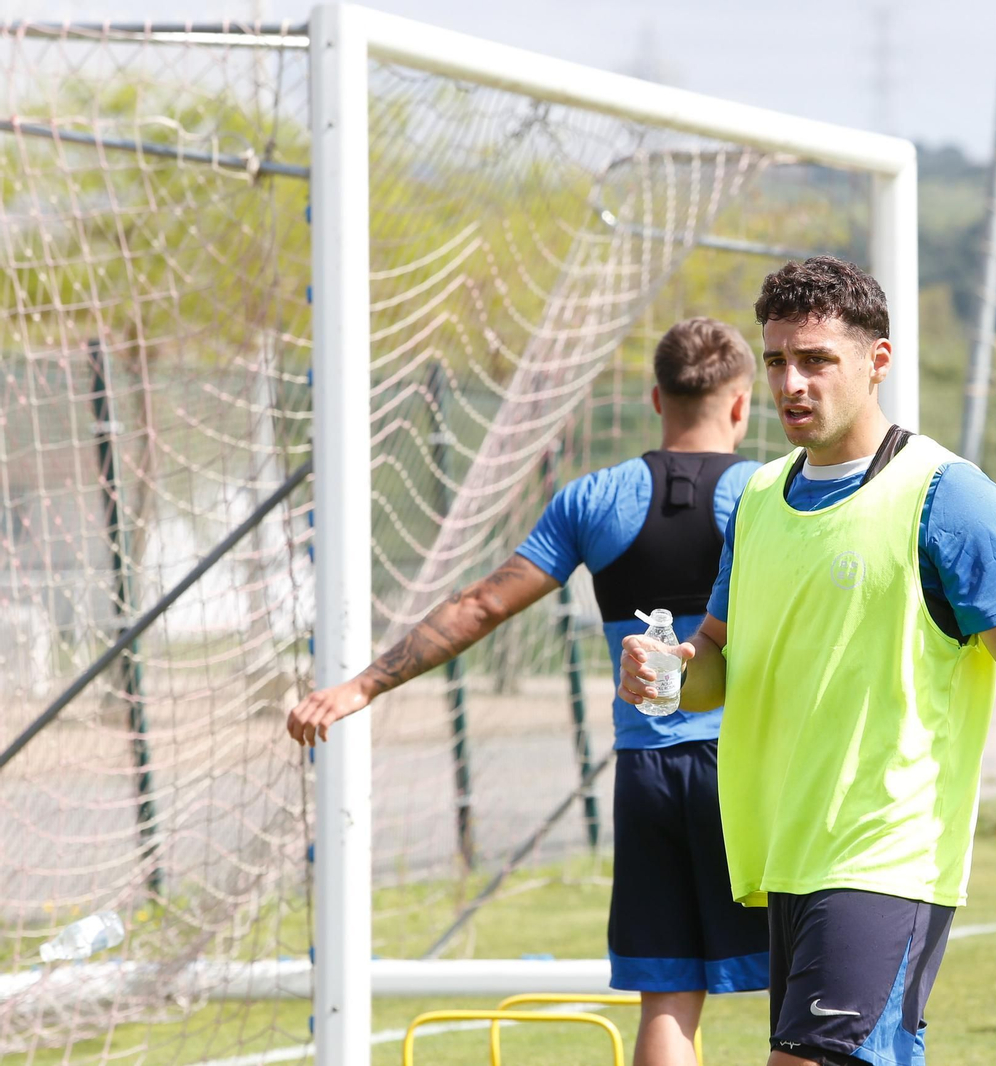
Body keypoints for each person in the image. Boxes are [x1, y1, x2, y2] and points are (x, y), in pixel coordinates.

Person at [617, 256, 996, 1066]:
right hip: (785, 852)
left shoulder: (946, 495)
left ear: (877, 361)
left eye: (817, 360)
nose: (794, 382)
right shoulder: (757, 499)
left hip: (887, 855)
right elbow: (719, 654)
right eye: (780, 359)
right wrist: (670, 676)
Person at [285, 317, 769, 1066]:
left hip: (647, 777)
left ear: (654, 398)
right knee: (811, 990)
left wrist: (362, 686)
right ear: (741, 405)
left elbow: (480, 604)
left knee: (669, 1000)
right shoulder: (766, 496)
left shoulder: (595, 498)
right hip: (748, 772)